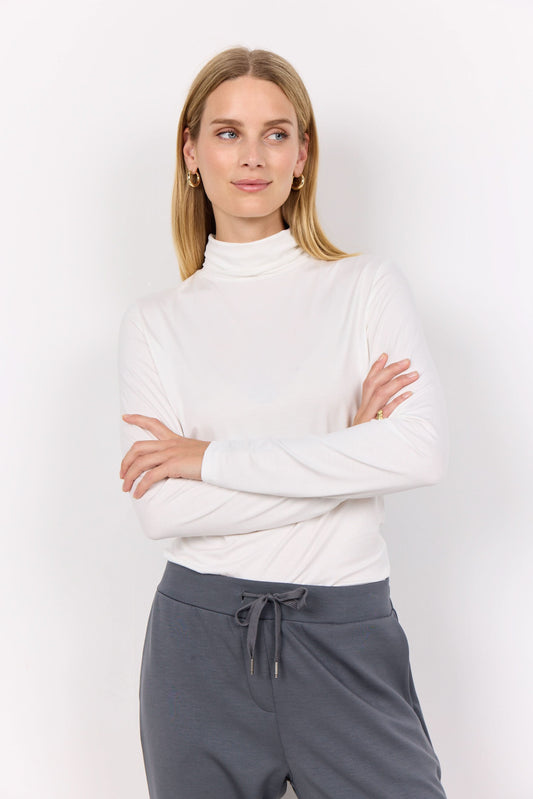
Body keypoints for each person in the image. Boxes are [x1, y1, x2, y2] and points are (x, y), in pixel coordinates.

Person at [118, 46, 449, 799]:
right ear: (191, 152)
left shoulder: (364, 286)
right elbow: (162, 509)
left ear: (302, 155)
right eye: (228, 132)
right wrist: (348, 453)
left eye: (276, 133)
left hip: (345, 636)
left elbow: (419, 452)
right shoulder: (155, 323)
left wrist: (206, 458)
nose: (253, 155)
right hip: (195, 646)